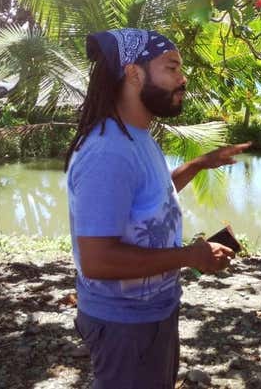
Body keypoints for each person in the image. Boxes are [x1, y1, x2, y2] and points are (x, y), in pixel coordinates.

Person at [65, 28, 249, 389]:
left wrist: (197, 165)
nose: (183, 79)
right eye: (172, 68)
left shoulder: (136, 135)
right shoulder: (108, 152)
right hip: (124, 323)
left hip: (150, 312)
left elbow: (150, 200)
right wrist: (191, 256)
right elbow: (97, 260)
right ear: (134, 74)